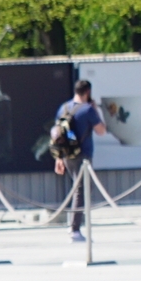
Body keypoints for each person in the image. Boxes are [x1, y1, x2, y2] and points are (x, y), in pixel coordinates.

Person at [51, 79, 106, 242]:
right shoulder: (88, 110)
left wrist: (58, 158)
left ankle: (76, 224)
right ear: (88, 92)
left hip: (67, 155)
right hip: (83, 155)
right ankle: (74, 228)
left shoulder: (64, 108)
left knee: (79, 189)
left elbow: (57, 134)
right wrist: (96, 110)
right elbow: (101, 130)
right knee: (80, 191)